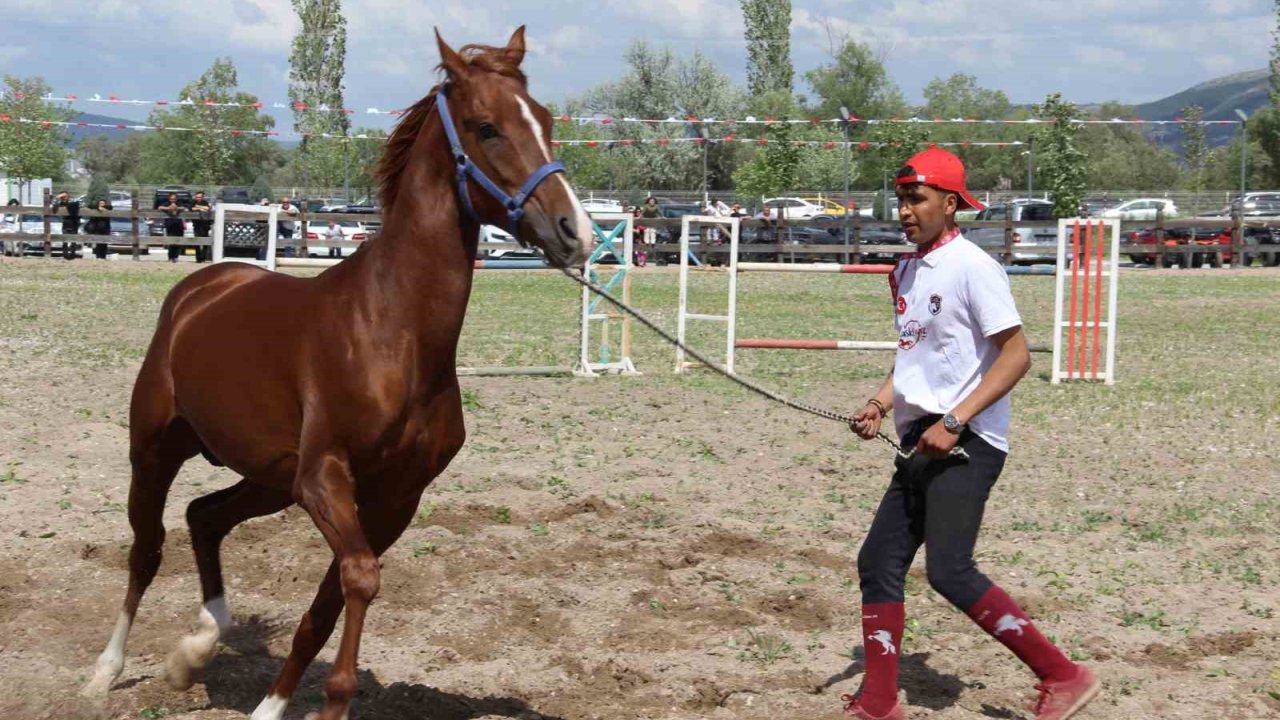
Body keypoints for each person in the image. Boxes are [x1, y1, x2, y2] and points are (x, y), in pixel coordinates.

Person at [841, 147, 1098, 720]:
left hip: (968, 442)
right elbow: (915, 357)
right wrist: (880, 404)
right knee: (878, 561)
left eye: (918, 198)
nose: (905, 209)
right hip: (920, 439)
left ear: (951, 204)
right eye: (902, 198)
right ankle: (879, 701)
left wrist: (956, 421)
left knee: (950, 570)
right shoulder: (904, 270)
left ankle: (1063, 674)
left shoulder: (974, 267)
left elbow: (1016, 357)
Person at [51, 191, 81, 260]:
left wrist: (65, 202)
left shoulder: (73, 200)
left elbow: (74, 205)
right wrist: (56, 198)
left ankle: (72, 255)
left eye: (64, 196)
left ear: (68, 196)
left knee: (73, 239)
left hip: (74, 222)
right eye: (62, 197)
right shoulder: (60, 203)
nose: (63, 198)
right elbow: (54, 208)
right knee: (64, 239)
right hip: (66, 222)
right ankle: (65, 255)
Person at [159, 193, 186, 263]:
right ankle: (170, 257)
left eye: (174, 199)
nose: (172, 200)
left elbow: (183, 208)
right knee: (171, 242)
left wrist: (176, 207)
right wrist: (168, 208)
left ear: (176, 199)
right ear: (169, 199)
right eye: (171, 199)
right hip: (170, 225)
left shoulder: (179, 203)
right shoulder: (166, 203)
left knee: (178, 242)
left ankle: (176, 257)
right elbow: (160, 207)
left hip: (179, 225)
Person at [190, 192, 213, 263]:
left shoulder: (205, 202)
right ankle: (198, 258)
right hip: (196, 225)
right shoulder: (192, 202)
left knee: (205, 242)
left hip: (205, 225)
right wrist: (201, 209)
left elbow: (207, 208)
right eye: (197, 197)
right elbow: (191, 208)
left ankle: (203, 257)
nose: (198, 198)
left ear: (203, 197)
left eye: (200, 197)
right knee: (196, 241)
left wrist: (198, 207)